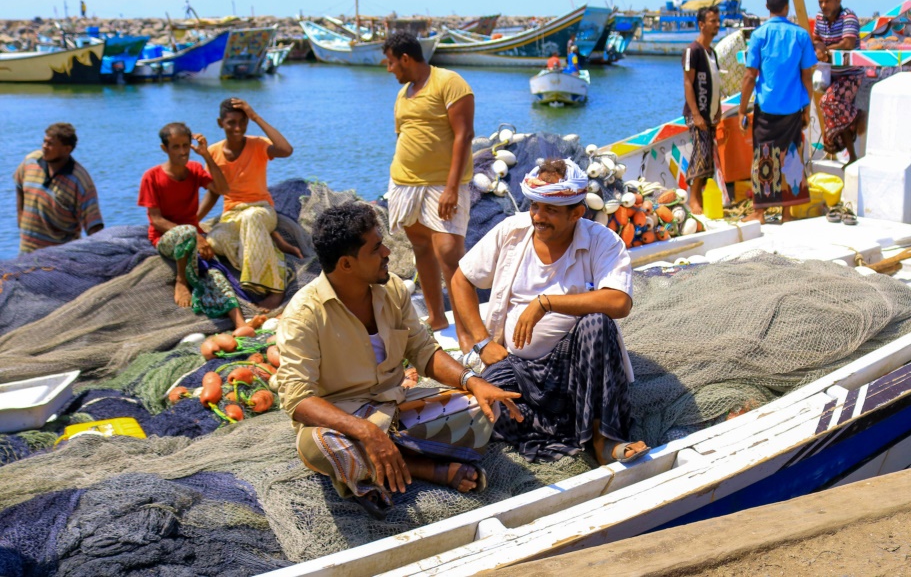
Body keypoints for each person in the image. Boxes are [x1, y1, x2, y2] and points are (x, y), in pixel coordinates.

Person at [274, 202, 522, 517]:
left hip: (397, 408)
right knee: (320, 446)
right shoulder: (303, 314)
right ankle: (422, 466)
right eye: (376, 248)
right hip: (345, 422)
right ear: (347, 264)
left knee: (484, 404)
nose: (388, 252)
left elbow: (423, 351)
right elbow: (298, 400)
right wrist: (366, 431)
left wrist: (472, 381)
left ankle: (380, 463)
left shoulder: (391, 288)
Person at [450, 158, 649, 465]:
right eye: (534, 207)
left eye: (550, 210)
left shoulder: (602, 241)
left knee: (597, 323)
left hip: (574, 368)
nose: (538, 217)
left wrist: (546, 302)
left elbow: (619, 302)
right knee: (492, 407)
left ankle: (602, 439)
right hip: (516, 365)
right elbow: (461, 280)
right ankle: (572, 424)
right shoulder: (511, 231)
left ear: (577, 213)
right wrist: (482, 342)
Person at [383, 31, 474, 346]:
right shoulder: (403, 94)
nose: (389, 68)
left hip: (443, 184)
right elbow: (403, 137)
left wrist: (451, 187)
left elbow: (464, 135)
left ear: (405, 58)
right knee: (421, 247)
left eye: (391, 62)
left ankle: (465, 331)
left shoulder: (449, 82)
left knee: (449, 252)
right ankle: (437, 317)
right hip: (405, 184)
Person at [138, 122, 245, 329]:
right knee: (187, 230)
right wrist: (196, 235)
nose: (183, 151)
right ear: (165, 149)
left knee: (215, 274)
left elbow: (222, 189)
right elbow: (156, 220)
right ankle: (181, 281)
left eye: (186, 146)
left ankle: (240, 324)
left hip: (191, 236)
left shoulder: (195, 169)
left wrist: (206, 155)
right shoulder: (151, 177)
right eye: (176, 147)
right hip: (165, 239)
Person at [198, 98, 300, 311]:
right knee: (215, 241)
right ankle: (273, 250)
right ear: (220, 123)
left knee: (251, 218)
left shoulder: (257, 144)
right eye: (231, 123)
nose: (237, 128)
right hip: (232, 215)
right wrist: (191, 221)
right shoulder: (213, 152)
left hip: (261, 209)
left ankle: (275, 288)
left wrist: (255, 116)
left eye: (242, 123)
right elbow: (215, 192)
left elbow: (286, 149)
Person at [738, 0, 816, 224]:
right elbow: (806, 76)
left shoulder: (759, 35)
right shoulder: (801, 35)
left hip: (767, 108)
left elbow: (750, 76)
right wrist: (807, 107)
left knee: (763, 156)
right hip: (793, 107)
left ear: (766, 7)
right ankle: (787, 213)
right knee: (792, 155)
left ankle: (760, 212)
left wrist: (742, 109)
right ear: (787, 6)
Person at [14, 123, 103, 253]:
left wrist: (99, 254)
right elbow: (19, 185)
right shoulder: (30, 162)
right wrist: (20, 217)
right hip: (26, 252)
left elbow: (94, 225)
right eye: (44, 141)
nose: (44, 147)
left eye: (50, 144)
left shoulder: (80, 181)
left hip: (60, 258)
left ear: (67, 149)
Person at [811, 0, 865, 163]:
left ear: (838, 0)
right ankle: (852, 156)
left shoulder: (848, 17)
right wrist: (820, 48)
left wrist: (826, 50)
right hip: (831, 74)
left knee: (828, 101)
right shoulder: (820, 18)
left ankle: (857, 115)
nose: (824, 6)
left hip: (851, 74)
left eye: (828, 1)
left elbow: (848, 44)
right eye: (821, 2)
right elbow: (817, 38)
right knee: (839, 118)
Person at [682, 6, 723, 215]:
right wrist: (696, 114)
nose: (717, 24)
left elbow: (715, 81)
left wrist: (718, 109)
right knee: (700, 154)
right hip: (697, 114)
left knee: (707, 159)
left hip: (710, 114)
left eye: (718, 20)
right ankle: (693, 199)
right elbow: (688, 83)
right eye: (712, 21)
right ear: (701, 25)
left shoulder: (712, 52)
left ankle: (702, 197)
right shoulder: (693, 51)